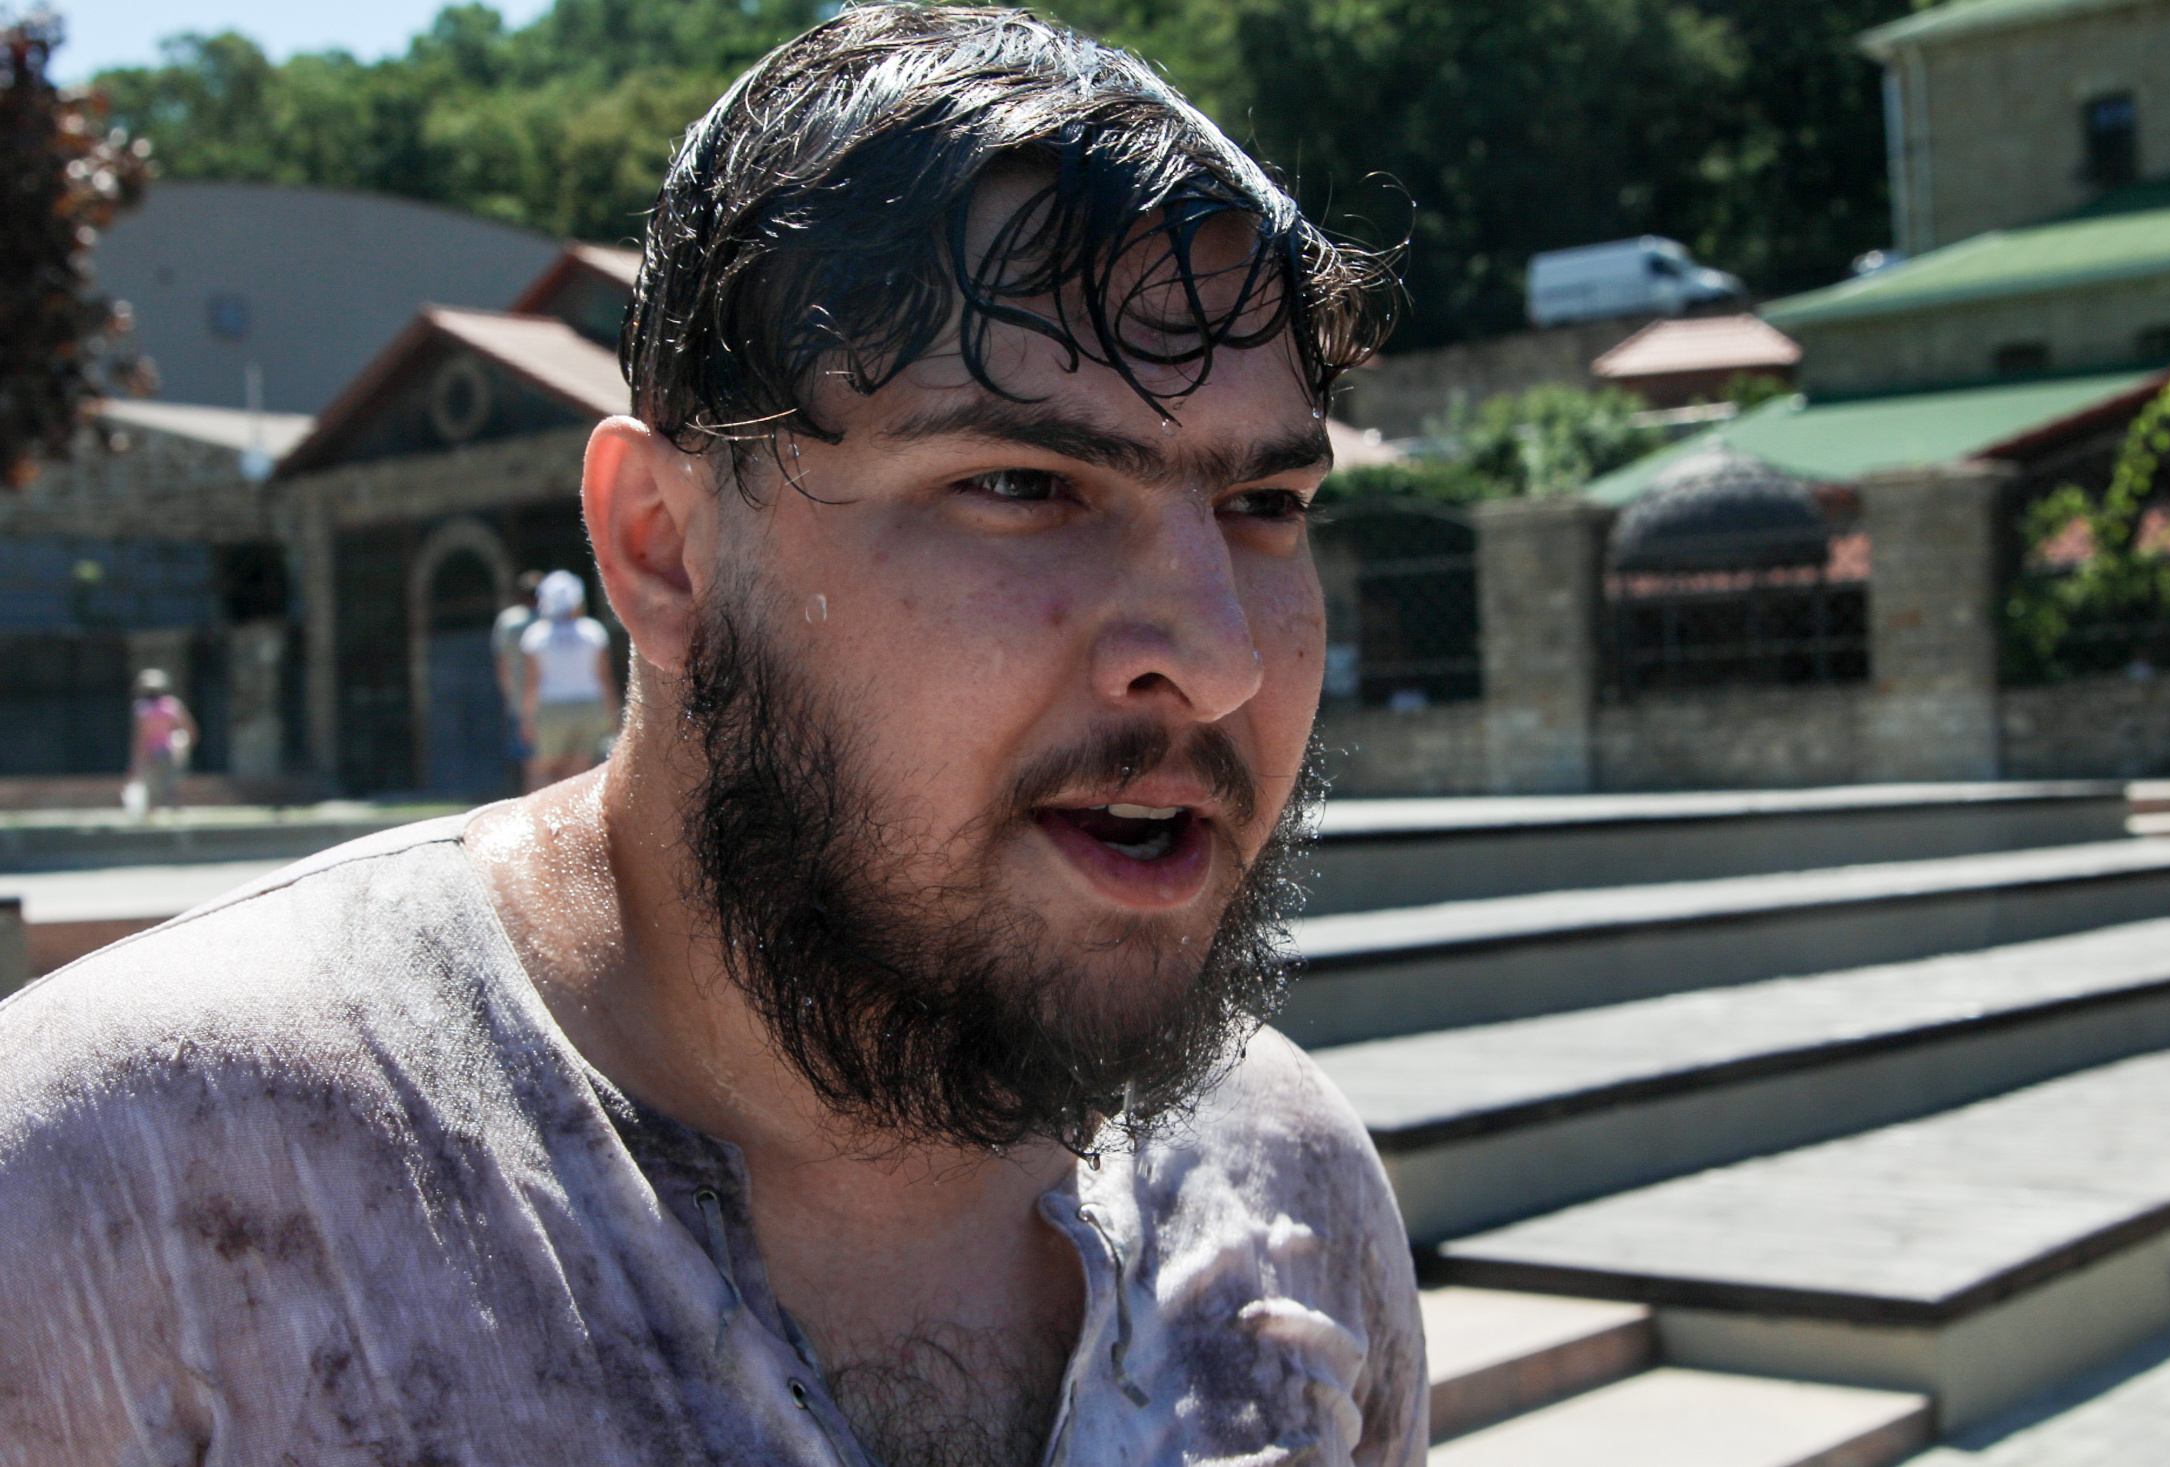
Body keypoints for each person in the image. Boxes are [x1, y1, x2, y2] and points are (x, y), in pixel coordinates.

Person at [0, 9, 1425, 1465]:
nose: (1218, 659)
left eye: (1265, 507)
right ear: (660, 548)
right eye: (1021, 483)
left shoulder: (1288, 1194)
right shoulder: (114, 1201)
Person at [518, 568, 620, 790]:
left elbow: (532, 681)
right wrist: (612, 714)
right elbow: (604, 677)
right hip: (588, 706)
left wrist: (526, 718)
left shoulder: (536, 635)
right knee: (579, 774)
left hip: (551, 708)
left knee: (543, 771)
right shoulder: (593, 632)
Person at [491, 568, 546, 779]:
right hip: (549, 697)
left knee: (529, 762)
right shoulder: (551, 621)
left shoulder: (508, 621)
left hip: (519, 700)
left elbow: (501, 663)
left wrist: (509, 695)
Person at [124, 666, 197, 819]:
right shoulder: (172, 705)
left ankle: (153, 812)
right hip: (170, 749)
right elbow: (188, 727)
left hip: (152, 751)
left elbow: (141, 737)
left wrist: (137, 759)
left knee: (152, 783)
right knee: (170, 782)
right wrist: (186, 744)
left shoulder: (142, 709)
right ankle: (175, 812)